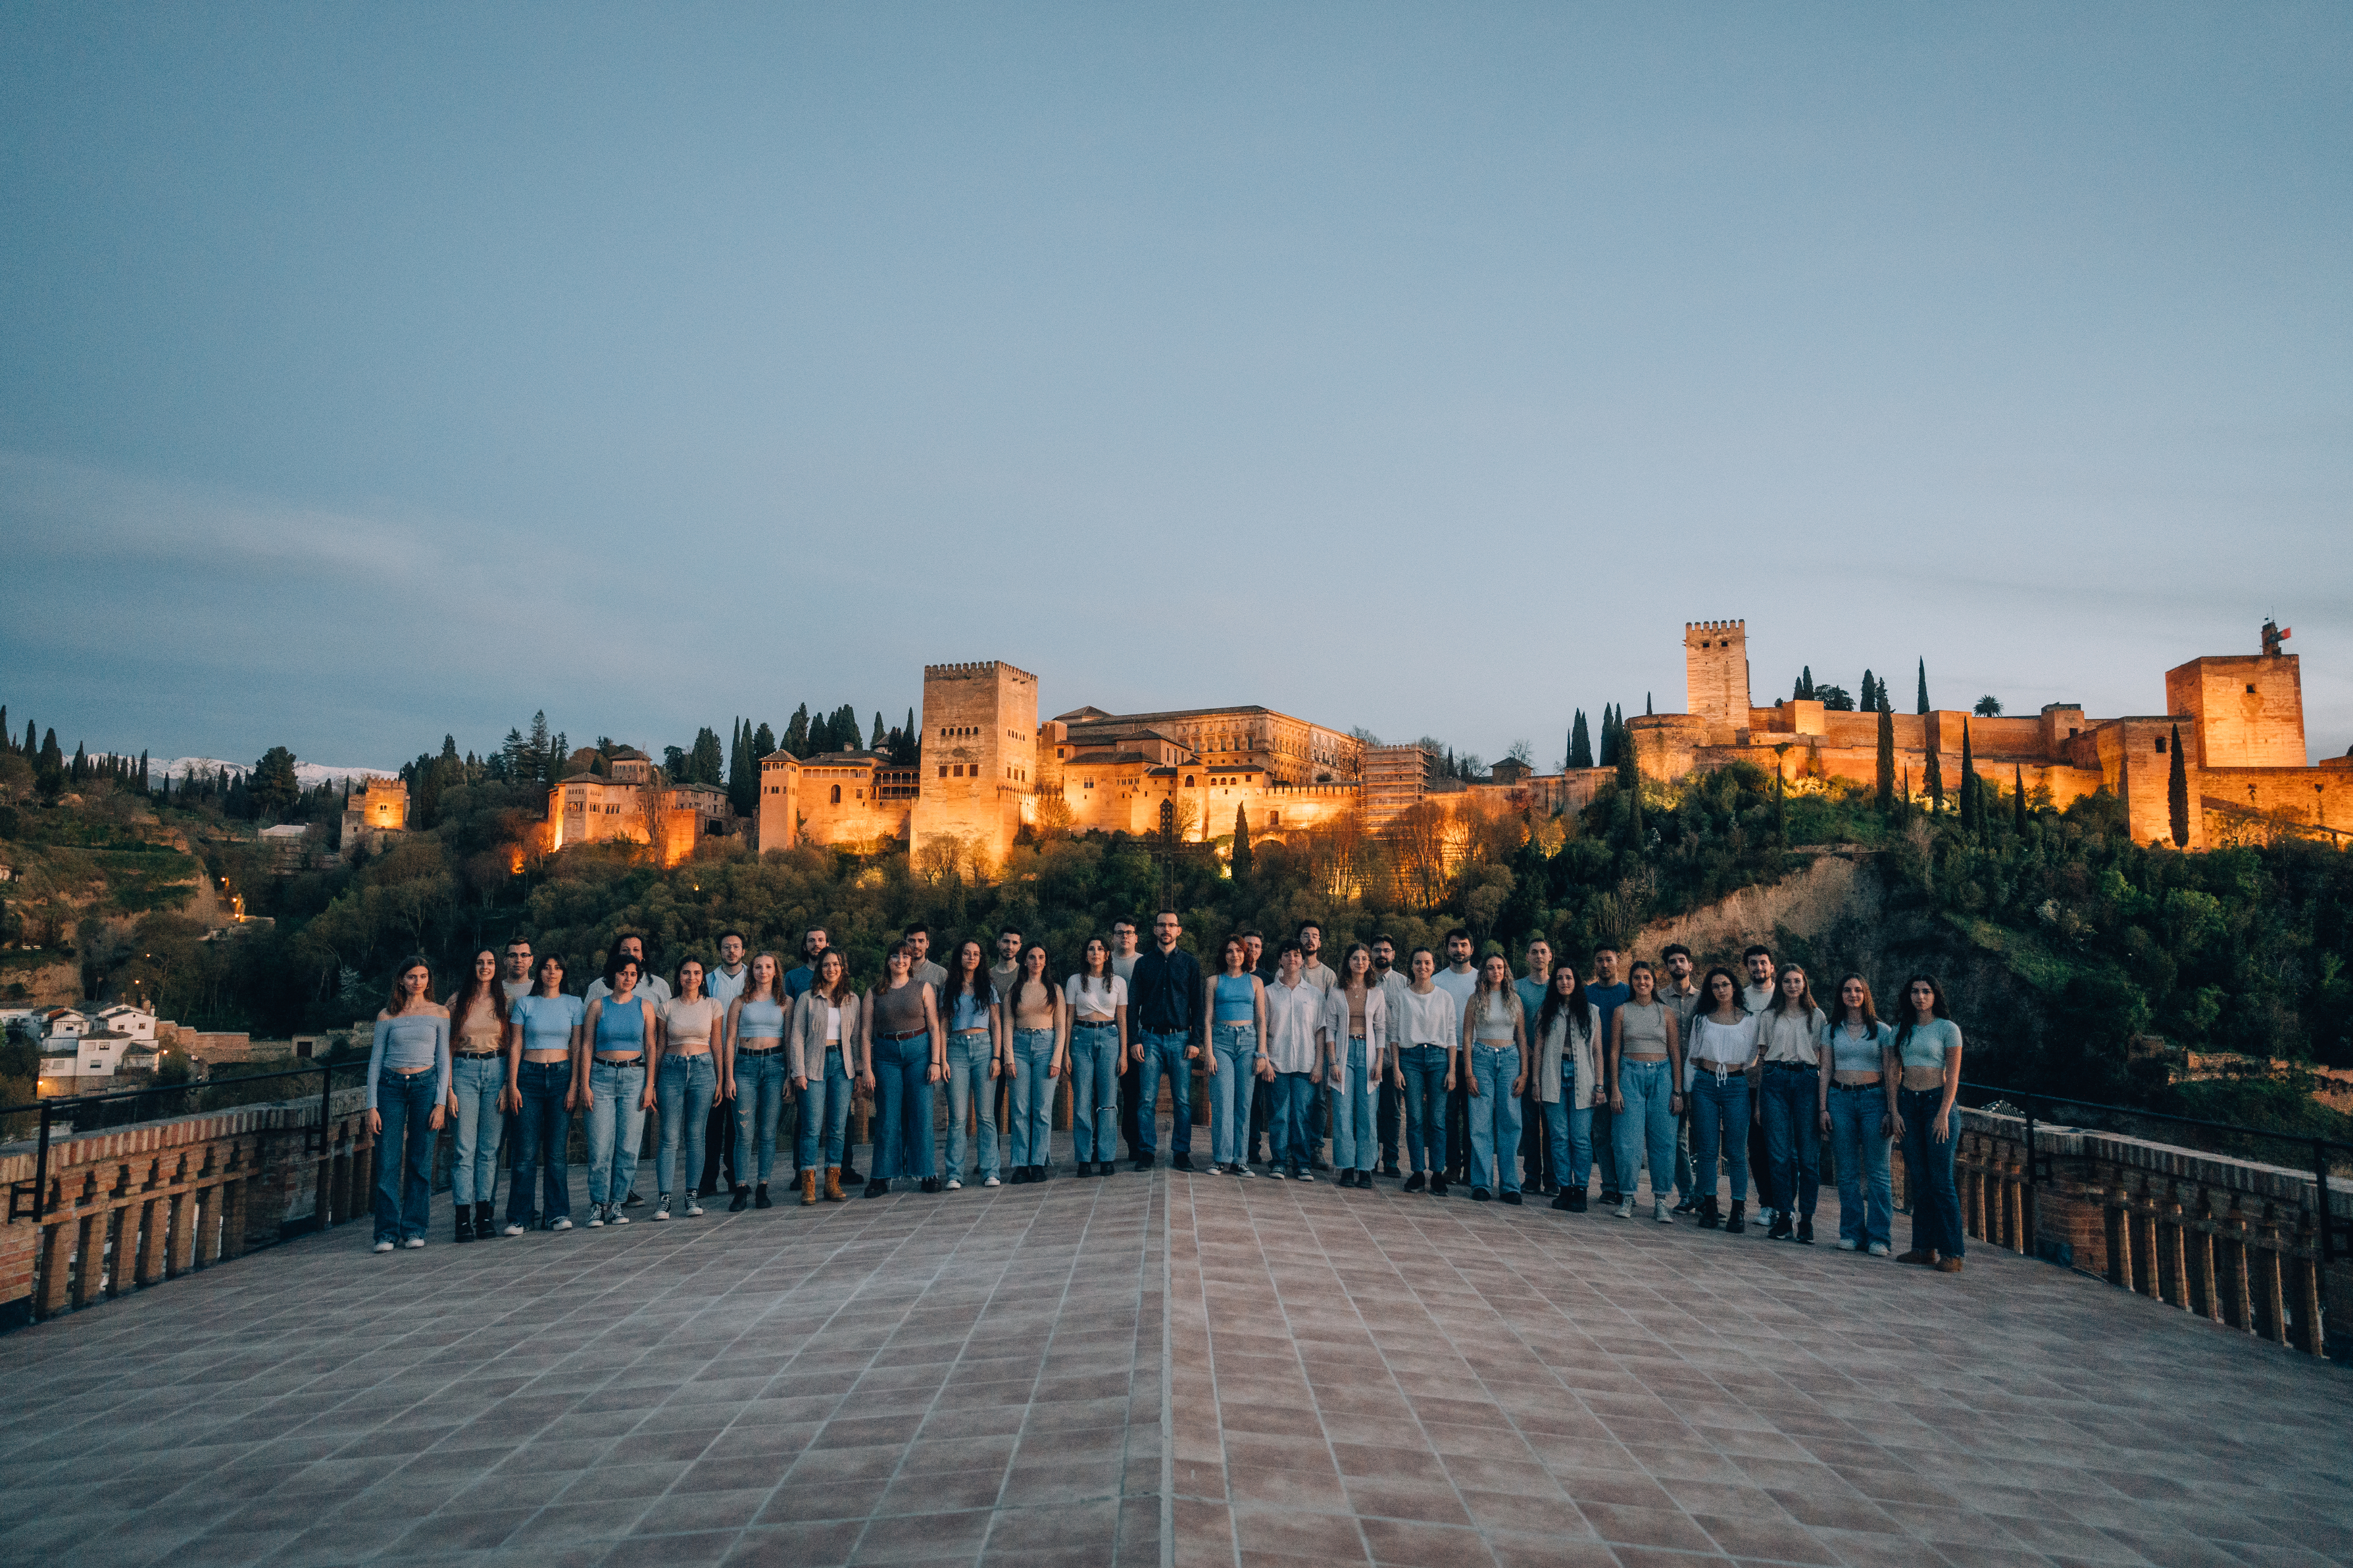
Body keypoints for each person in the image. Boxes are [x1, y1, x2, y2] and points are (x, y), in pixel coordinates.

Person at [367, 959, 450, 1253]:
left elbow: (444, 1060)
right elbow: (375, 1060)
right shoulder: (387, 1015)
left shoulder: (440, 1013)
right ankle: (386, 1232)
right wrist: (371, 1106)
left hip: (425, 1087)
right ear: (401, 980)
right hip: (390, 1087)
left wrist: (441, 1102)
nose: (418, 982)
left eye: (424, 976)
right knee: (387, 1160)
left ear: (429, 980)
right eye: (412, 977)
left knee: (420, 1158)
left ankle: (414, 1227)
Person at [1816, 974, 1897, 1256]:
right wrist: (1823, 1108)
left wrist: (1891, 1109)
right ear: (1841, 995)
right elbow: (1825, 1070)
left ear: (1866, 995)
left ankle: (1879, 1237)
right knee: (1847, 1172)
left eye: (1859, 990)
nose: (1853, 995)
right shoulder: (1831, 1030)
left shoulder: (1883, 1031)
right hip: (1839, 1099)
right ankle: (1851, 1232)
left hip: (1874, 1099)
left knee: (1878, 1172)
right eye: (1848, 990)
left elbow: (1891, 1074)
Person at [1892, 975, 1966, 1272]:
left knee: (1941, 1180)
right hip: (1909, 1103)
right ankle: (1923, 1249)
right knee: (1919, 1181)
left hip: (1938, 1103)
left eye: (1926, 992)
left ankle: (1953, 1253)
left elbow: (1954, 1075)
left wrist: (1944, 1113)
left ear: (1935, 995)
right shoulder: (1901, 1030)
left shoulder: (1948, 1029)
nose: (1920, 997)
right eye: (1915, 991)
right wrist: (1895, 1111)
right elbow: (1893, 1071)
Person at [587, 933, 666, 1210]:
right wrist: (584, 1085)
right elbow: (586, 1045)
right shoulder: (598, 1006)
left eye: (633, 974)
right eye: (623, 973)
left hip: (635, 1077)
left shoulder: (645, 1006)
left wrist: (650, 1085)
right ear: (613, 975)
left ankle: (619, 1201)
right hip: (601, 1077)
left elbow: (652, 1046)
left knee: (629, 1148)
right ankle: (599, 1203)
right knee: (600, 1148)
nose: (628, 978)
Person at [504, 954, 581, 1235]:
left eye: (558, 968)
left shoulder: (574, 1003)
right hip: (529, 1077)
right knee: (524, 1153)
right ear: (539, 973)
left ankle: (557, 1214)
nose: (552, 972)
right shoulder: (526, 1003)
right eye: (547, 968)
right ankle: (519, 1216)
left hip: (561, 1077)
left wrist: (574, 1085)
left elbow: (577, 1047)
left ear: (564, 973)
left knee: (557, 1152)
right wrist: (512, 1085)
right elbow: (515, 1045)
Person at [861, 943, 944, 1196]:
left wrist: (936, 1061)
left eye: (905, 956)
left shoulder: (923, 988)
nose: (900, 960)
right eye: (895, 956)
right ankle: (881, 1176)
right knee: (887, 1117)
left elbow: (934, 1027)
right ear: (888, 961)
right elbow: (865, 1034)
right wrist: (867, 1069)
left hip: (918, 1051)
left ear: (911, 961)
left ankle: (927, 1173)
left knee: (922, 1114)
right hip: (886, 1055)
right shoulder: (874, 992)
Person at [1607, 961, 1685, 1223]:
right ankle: (1627, 1196)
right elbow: (1615, 1051)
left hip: (1662, 1075)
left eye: (1647, 978)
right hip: (1630, 1073)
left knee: (1663, 1141)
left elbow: (1675, 1052)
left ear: (1654, 981)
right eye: (1637, 978)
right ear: (1631, 982)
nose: (1642, 982)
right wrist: (1615, 1088)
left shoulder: (1666, 1013)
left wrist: (1677, 1091)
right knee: (1627, 1140)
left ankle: (1661, 1200)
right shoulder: (1622, 1011)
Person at [444, 949, 512, 1243]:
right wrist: (447, 1089)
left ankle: (484, 1214)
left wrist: (509, 1083)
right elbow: (445, 1047)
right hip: (464, 1070)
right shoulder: (457, 1001)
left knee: (489, 1149)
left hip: (497, 1069)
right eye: (480, 962)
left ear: (497, 967)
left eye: (490, 963)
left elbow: (513, 1045)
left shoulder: (504, 1001)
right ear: (472, 966)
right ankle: (462, 1217)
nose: (485, 967)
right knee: (463, 1148)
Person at [1756, 963, 1827, 1242]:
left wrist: (1823, 1104)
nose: (1793, 986)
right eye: (1787, 981)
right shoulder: (1769, 1016)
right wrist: (1761, 1102)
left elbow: (1824, 1059)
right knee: (1779, 1156)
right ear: (1780, 984)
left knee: (1809, 1158)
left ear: (1805, 984)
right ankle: (1784, 1215)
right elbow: (1762, 1060)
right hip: (1775, 1080)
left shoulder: (1817, 1017)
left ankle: (1806, 1220)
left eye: (1797, 981)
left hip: (1808, 1081)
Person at [1685, 967, 1760, 1233]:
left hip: (1736, 1083)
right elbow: (1693, 1055)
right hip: (1705, 1083)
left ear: (1734, 987)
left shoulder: (1750, 1020)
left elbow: (1753, 1055)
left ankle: (1738, 1209)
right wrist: (1687, 1089)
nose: (1720, 990)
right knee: (1707, 1150)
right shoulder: (1702, 1019)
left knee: (1736, 1151)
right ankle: (1710, 1206)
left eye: (1725, 985)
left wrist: (1734, 1067)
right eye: (1715, 986)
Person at [1129, 911, 1203, 1172]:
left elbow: (1199, 1005)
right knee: (1146, 1099)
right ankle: (1147, 1152)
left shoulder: (1190, 964)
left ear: (1179, 931)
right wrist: (1133, 1039)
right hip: (1148, 1038)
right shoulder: (1144, 963)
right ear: (1154, 929)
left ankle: (1181, 1153)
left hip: (1181, 1039)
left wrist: (1196, 1040)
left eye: (1171, 925)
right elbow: (1132, 1005)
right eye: (1162, 925)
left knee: (1182, 1100)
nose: (1166, 929)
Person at [651, 957, 722, 1221]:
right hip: (672, 1067)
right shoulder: (666, 1007)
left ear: (703, 977)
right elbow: (659, 1045)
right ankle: (664, 1198)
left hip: (704, 1070)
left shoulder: (713, 1005)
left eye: (696, 973)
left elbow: (717, 1044)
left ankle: (692, 1194)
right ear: (678, 976)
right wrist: (653, 1082)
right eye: (685, 973)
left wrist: (722, 1078)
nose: (691, 977)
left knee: (696, 1134)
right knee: (669, 1136)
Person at [723, 952, 791, 1208]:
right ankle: (741, 1187)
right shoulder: (740, 1002)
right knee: (744, 1131)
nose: (763, 971)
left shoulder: (786, 1002)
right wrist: (728, 1076)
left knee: (767, 1132)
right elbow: (729, 1040)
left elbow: (789, 1041)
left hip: (775, 1066)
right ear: (751, 971)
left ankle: (763, 1186)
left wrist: (788, 1076)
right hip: (745, 1067)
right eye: (758, 967)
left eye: (768, 967)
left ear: (776, 971)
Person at [792, 950, 861, 1202]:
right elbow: (797, 1036)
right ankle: (808, 1183)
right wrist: (798, 1071)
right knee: (811, 1127)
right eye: (826, 965)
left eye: (836, 964)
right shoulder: (807, 999)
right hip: (813, 1065)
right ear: (819, 968)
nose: (831, 969)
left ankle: (832, 1182)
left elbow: (855, 1038)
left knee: (838, 1127)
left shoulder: (853, 999)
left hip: (843, 1066)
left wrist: (859, 1072)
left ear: (843, 968)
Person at [1534, 964, 1602, 1212]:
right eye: (1560, 978)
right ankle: (1564, 1188)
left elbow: (1597, 1051)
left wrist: (1600, 1085)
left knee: (1581, 1138)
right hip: (1553, 1075)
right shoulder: (1547, 1011)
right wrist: (1536, 1083)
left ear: (1577, 981)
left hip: (1583, 1076)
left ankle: (1581, 1190)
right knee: (1559, 1136)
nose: (1564, 982)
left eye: (1569, 977)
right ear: (1554, 983)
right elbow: (1539, 1049)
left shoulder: (1592, 1012)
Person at [1462, 954, 1527, 1203]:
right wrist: (1468, 1072)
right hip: (1481, 1058)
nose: (1496, 971)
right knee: (1480, 1121)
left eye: (1500, 967)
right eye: (1490, 968)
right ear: (1484, 972)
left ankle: (1510, 1185)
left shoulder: (1515, 1000)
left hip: (1510, 1058)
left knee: (1510, 1121)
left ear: (1506, 970)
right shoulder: (1475, 1000)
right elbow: (1467, 1037)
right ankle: (1481, 1183)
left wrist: (1524, 1072)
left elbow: (1521, 1037)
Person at [939, 939, 1004, 1191]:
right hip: (956, 1048)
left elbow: (996, 1023)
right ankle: (955, 1174)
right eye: (967, 953)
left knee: (986, 1116)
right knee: (957, 1117)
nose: (972, 958)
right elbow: (943, 1024)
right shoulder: (948, 988)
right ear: (960, 957)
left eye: (976, 954)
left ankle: (990, 1170)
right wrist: (942, 1059)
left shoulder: (988, 986)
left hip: (984, 1047)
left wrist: (997, 1057)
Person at [1321, 943, 1386, 1187]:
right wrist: (1333, 1062)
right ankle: (1347, 1166)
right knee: (1342, 1113)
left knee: (1368, 1114)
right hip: (1343, 1054)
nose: (1360, 962)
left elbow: (1381, 1029)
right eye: (1355, 958)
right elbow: (1330, 1029)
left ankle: (1366, 1168)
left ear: (1369, 963)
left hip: (1368, 1054)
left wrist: (1379, 1061)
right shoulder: (1337, 992)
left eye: (1364, 958)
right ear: (1348, 962)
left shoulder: (1377, 993)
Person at [1394, 949, 1458, 1195]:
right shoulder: (1402, 997)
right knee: (1415, 1119)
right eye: (1418, 963)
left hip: (1438, 1058)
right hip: (1410, 1059)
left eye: (1427, 963)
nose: (1423, 967)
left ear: (1434, 967)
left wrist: (1452, 1069)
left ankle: (1438, 1174)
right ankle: (1418, 1173)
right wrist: (1397, 1068)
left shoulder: (1445, 997)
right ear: (1411, 966)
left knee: (1437, 1120)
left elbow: (1451, 1035)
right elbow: (1394, 1036)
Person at [1259, 942, 1324, 1182]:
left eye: (1297, 955)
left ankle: (1302, 1164)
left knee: (1302, 1115)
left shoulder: (1315, 995)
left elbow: (1320, 1031)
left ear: (1303, 961)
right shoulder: (1268, 993)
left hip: (1306, 1065)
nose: (1293, 958)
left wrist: (1319, 1064)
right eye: (1287, 954)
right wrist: (1264, 1059)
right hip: (1277, 1062)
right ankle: (1278, 1162)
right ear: (1280, 961)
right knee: (1279, 1115)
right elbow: (1262, 1028)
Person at [1065, 937, 1127, 1177]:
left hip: (1110, 1037)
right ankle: (1083, 1158)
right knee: (1081, 1100)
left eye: (1100, 949)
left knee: (1108, 1101)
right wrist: (1065, 1053)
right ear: (1086, 953)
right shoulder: (1074, 981)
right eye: (1091, 948)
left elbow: (1122, 1019)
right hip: (1081, 1038)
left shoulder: (1119, 982)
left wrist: (1124, 1053)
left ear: (1108, 954)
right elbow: (1069, 1017)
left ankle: (1106, 1157)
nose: (1096, 952)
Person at [1203, 936, 1264, 1175]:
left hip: (1249, 1043)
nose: (1235, 955)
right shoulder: (1213, 982)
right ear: (1224, 955)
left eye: (1239, 951)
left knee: (1244, 1103)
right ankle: (1220, 1158)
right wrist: (1209, 1053)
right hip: (1221, 1041)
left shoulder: (1256, 982)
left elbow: (1261, 1020)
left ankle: (1240, 1159)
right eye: (1230, 951)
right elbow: (1207, 1020)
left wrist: (1262, 1054)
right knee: (1222, 1101)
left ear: (1246, 954)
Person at [1002, 943, 1063, 1183]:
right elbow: (1007, 1023)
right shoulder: (1013, 989)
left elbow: (1061, 1027)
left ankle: (1038, 1162)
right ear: (1024, 961)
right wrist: (1008, 1057)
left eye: (1041, 957)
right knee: (1019, 1108)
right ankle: (1020, 1164)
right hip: (1018, 1045)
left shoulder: (1055, 989)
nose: (1037, 961)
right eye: (1032, 957)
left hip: (1046, 1046)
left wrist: (1057, 1058)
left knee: (1042, 1109)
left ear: (1045, 962)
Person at [699, 932, 750, 1207]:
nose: (731, 951)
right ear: (719, 951)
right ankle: (708, 1179)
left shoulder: (752, 979)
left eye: (736, 947)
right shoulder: (708, 980)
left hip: (743, 1057)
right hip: (711, 1056)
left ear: (744, 951)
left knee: (737, 1121)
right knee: (712, 1121)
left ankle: (735, 1176)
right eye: (726, 947)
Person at [1656, 944, 1705, 1212]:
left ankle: (1706, 1196)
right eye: (1672, 962)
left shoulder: (1705, 998)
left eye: (1682, 960)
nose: (1678, 965)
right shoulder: (1658, 999)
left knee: (1707, 1139)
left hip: (1701, 1076)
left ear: (1691, 965)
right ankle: (1687, 1194)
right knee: (1676, 1138)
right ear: (1667, 968)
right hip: (1669, 1075)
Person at [1584, 945, 1632, 1203]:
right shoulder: (1586, 994)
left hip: (1627, 1071)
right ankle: (1609, 1186)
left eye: (1609, 959)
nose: (1604, 964)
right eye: (1600, 960)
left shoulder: (1629, 993)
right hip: (1594, 1072)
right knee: (1601, 1133)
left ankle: (1628, 1188)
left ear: (1618, 961)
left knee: (1625, 1135)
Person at [1432, 930, 1479, 1181]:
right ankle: (1452, 1165)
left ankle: (1472, 1168)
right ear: (1447, 948)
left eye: (1464, 945)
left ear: (1472, 949)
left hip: (1477, 1055)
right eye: (1454, 945)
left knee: (1474, 1113)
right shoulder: (1438, 980)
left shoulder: (1483, 978)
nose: (1459, 949)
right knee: (1448, 1114)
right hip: (1446, 1055)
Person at [1740, 943, 1780, 1229]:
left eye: (1763, 962)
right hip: (1747, 1080)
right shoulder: (1740, 998)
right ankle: (1767, 1204)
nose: (1759, 968)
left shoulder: (1785, 995)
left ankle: (1785, 1205)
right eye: (1753, 963)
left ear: (1772, 967)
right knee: (1756, 1146)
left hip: (1779, 1079)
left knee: (1781, 1147)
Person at [1514, 939, 1556, 1196]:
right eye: (1534, 952)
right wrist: (1526, 1051)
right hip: (1525, 1063)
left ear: (1550, 956)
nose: (1539, 956)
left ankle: (1552, 1179)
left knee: (1552, 1124)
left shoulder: (1561, 985)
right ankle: (1531, 1177)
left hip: (1554, 1065)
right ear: (1527, 957)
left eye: (1543, 952)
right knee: (1529, 1123)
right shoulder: (1517, 988)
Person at [1296, 921, 1336, 1170]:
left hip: (1319, 1047)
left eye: (1315, 936)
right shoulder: (1288, 968)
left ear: (1320, 943)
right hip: (1291, 1045)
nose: (1310, 940)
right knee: (1294, 1101)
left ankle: (1316, 1149)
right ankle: (1292, 1148)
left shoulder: (1328, 975)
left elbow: (1332, 1017)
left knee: (1319, 1101)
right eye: (1306, 936)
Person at [1371, 936, 1412, 1179]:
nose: (1382, 954)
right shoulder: (1364, 980)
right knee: (1369, 1111)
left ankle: (1391, 1160)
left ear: (1394, 954)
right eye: (1377, 950)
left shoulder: (1405, 984)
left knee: (1393, 1112)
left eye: (1387, 950)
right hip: (1368, 1057)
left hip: (1394, 1058)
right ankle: (1370, 1158)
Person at [1110, 918, 1144, 1163]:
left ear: (1136, 937)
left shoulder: (1144, 962)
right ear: (1113, 936)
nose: (1125, 936)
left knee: (1134, 1094)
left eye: (1129, 933)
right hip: (1106, 1033)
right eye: (1120, 932)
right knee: (1104, 1095)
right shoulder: (1103, 961)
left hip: (1138, 1036)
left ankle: (1135, 1143)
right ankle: (1101, 1145)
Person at [784, 927, 830, 999]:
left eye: (821, 940)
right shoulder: (792, 976)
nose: (816, 944)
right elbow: (787, 1007)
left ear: (827, 946)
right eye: (812, 941)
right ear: (805, 947)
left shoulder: (835, 974)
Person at [904, 923, 948, 991]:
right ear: (905, 943)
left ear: (927, 944)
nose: (916, 946)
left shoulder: (940, 973)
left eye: (921, 941)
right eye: (911, 941)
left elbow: (944, 1001)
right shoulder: (897, 971)